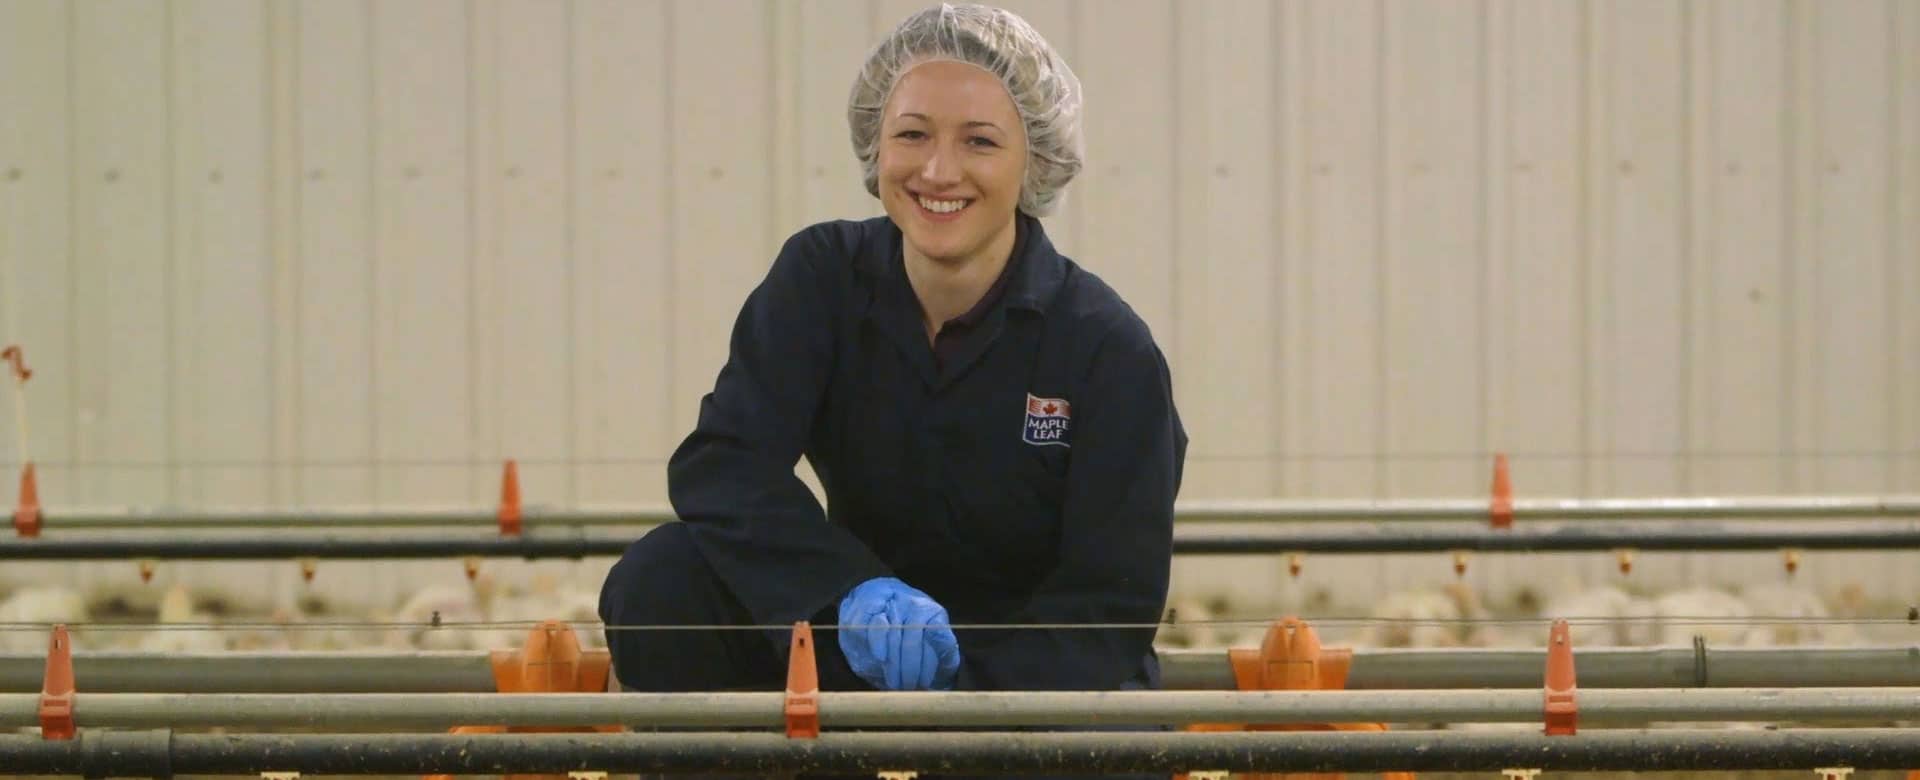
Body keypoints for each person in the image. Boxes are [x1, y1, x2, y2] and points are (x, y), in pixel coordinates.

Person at [601, 1, 1186, 705]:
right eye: (912, 134)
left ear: (1036, 160)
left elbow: (1108, 604)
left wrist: (961, 694)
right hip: (859, 650)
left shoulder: (1103, 350)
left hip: (1035, 679)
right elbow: (724, 465)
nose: (939, 171)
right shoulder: (823, 280)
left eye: (979, 142)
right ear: (876, 147)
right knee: (661, 579)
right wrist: (848, 593)